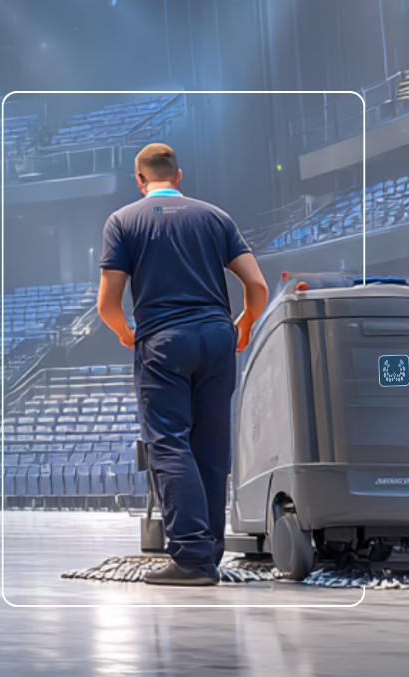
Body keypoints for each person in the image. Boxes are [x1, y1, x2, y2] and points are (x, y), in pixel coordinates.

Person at [98, 143, 269, 586]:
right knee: (211, 449)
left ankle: (190, 558)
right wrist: (245, 323)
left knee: (169, 444)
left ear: (139, 179)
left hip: (164, 342)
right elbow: (257, 284)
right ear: (178, 177)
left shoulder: (123, 221)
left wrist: (126, 331)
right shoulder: (215, 217)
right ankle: (209, 553)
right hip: (216, 337)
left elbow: (108, 303)